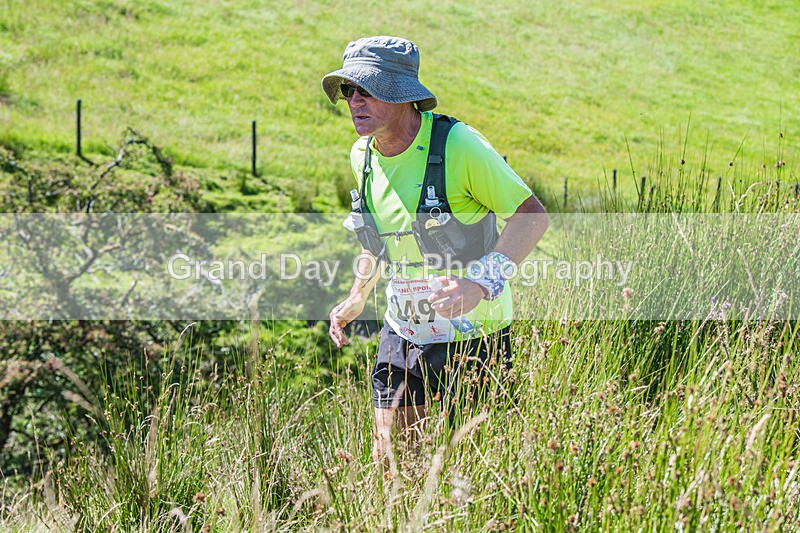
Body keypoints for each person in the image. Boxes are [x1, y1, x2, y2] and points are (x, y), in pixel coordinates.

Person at [322, 36, 548, 461]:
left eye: (367, 89)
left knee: (476, 470)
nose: (355, 101)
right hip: (403, 329)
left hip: (475, 335)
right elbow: (377, 239)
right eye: (350, 90)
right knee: (395, 465)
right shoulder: (362, 156)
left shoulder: (458, 145)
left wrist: (479, 283)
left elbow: (532, 215)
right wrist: (357, 296)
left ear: (403, 94)